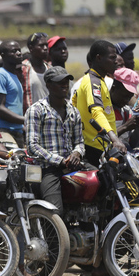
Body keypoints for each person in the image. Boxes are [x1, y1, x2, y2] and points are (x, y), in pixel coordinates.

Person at [25, 67, 85, 213]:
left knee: (101, 183)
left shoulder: (73, 111)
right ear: (49, 85)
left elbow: (79, 142)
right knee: (55, 211)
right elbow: (32, 146)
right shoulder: (37, 110)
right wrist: (60, 161)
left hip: (72, 165)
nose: (64, 85)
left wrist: (77, 153)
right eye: (60, 82)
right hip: (48, 168)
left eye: (66, 82)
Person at [71, 40, 126, 166]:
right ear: (99, 58)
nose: (116, 61)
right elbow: (97, 112)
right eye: (112, 58)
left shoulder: (99, 80)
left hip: (102, 146)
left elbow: (74, 103)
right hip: (94, 147)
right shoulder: (92, 82)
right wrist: (115, 139)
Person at [0, 40, 26, 148]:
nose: (19, 53)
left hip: (17, 130)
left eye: (19, 50)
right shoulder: (0, 75)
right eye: (14, 51)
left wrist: (21, 125)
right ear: (3, 55)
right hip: (4, 131)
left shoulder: (14, 76)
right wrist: (26, 119)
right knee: (10, 162)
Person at [111, 67, 139, 148]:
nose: (126, 100)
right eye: (124, 96)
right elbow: (99, 141)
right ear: (113, 88)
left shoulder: (126, 111)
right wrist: (125, 127)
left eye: (129, 97)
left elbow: (132, 144)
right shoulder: (101, 109)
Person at [21, 32, 50, 112]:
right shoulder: (23, 68)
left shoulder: (50, 69)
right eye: (41, 45)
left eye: (46, 45)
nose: (45, 48)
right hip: (31, 116)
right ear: (31, 48)